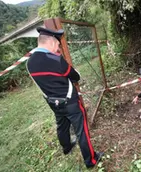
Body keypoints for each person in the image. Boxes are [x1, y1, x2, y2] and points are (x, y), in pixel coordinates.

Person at [27, 27, 103, 168]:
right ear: (50, 42)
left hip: (53, 103)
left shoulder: (29, 63)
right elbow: (76, 76)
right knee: (82, 130)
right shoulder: (56, 60)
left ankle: (66, 147)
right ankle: (91, 160)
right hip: (70, 103)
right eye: (57, 44)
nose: (58, 47)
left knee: (61, 126)